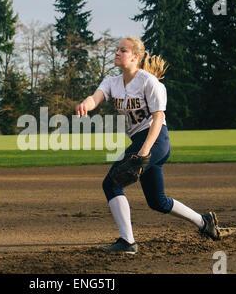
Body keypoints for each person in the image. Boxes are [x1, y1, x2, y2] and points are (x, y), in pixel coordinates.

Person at [75, 37, 221, 254]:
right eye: (117, 49)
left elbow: (158, 119)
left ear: (135, 56)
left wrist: (143, 153)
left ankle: (127, 242)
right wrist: (85, 105)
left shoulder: (149, 82)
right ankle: (204, 222)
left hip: (155, 140)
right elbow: (95, 98)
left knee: (112, 184)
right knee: (157, 201)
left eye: (122, 50)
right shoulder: (112, 82)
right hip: (140, 141)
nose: (117, 53)